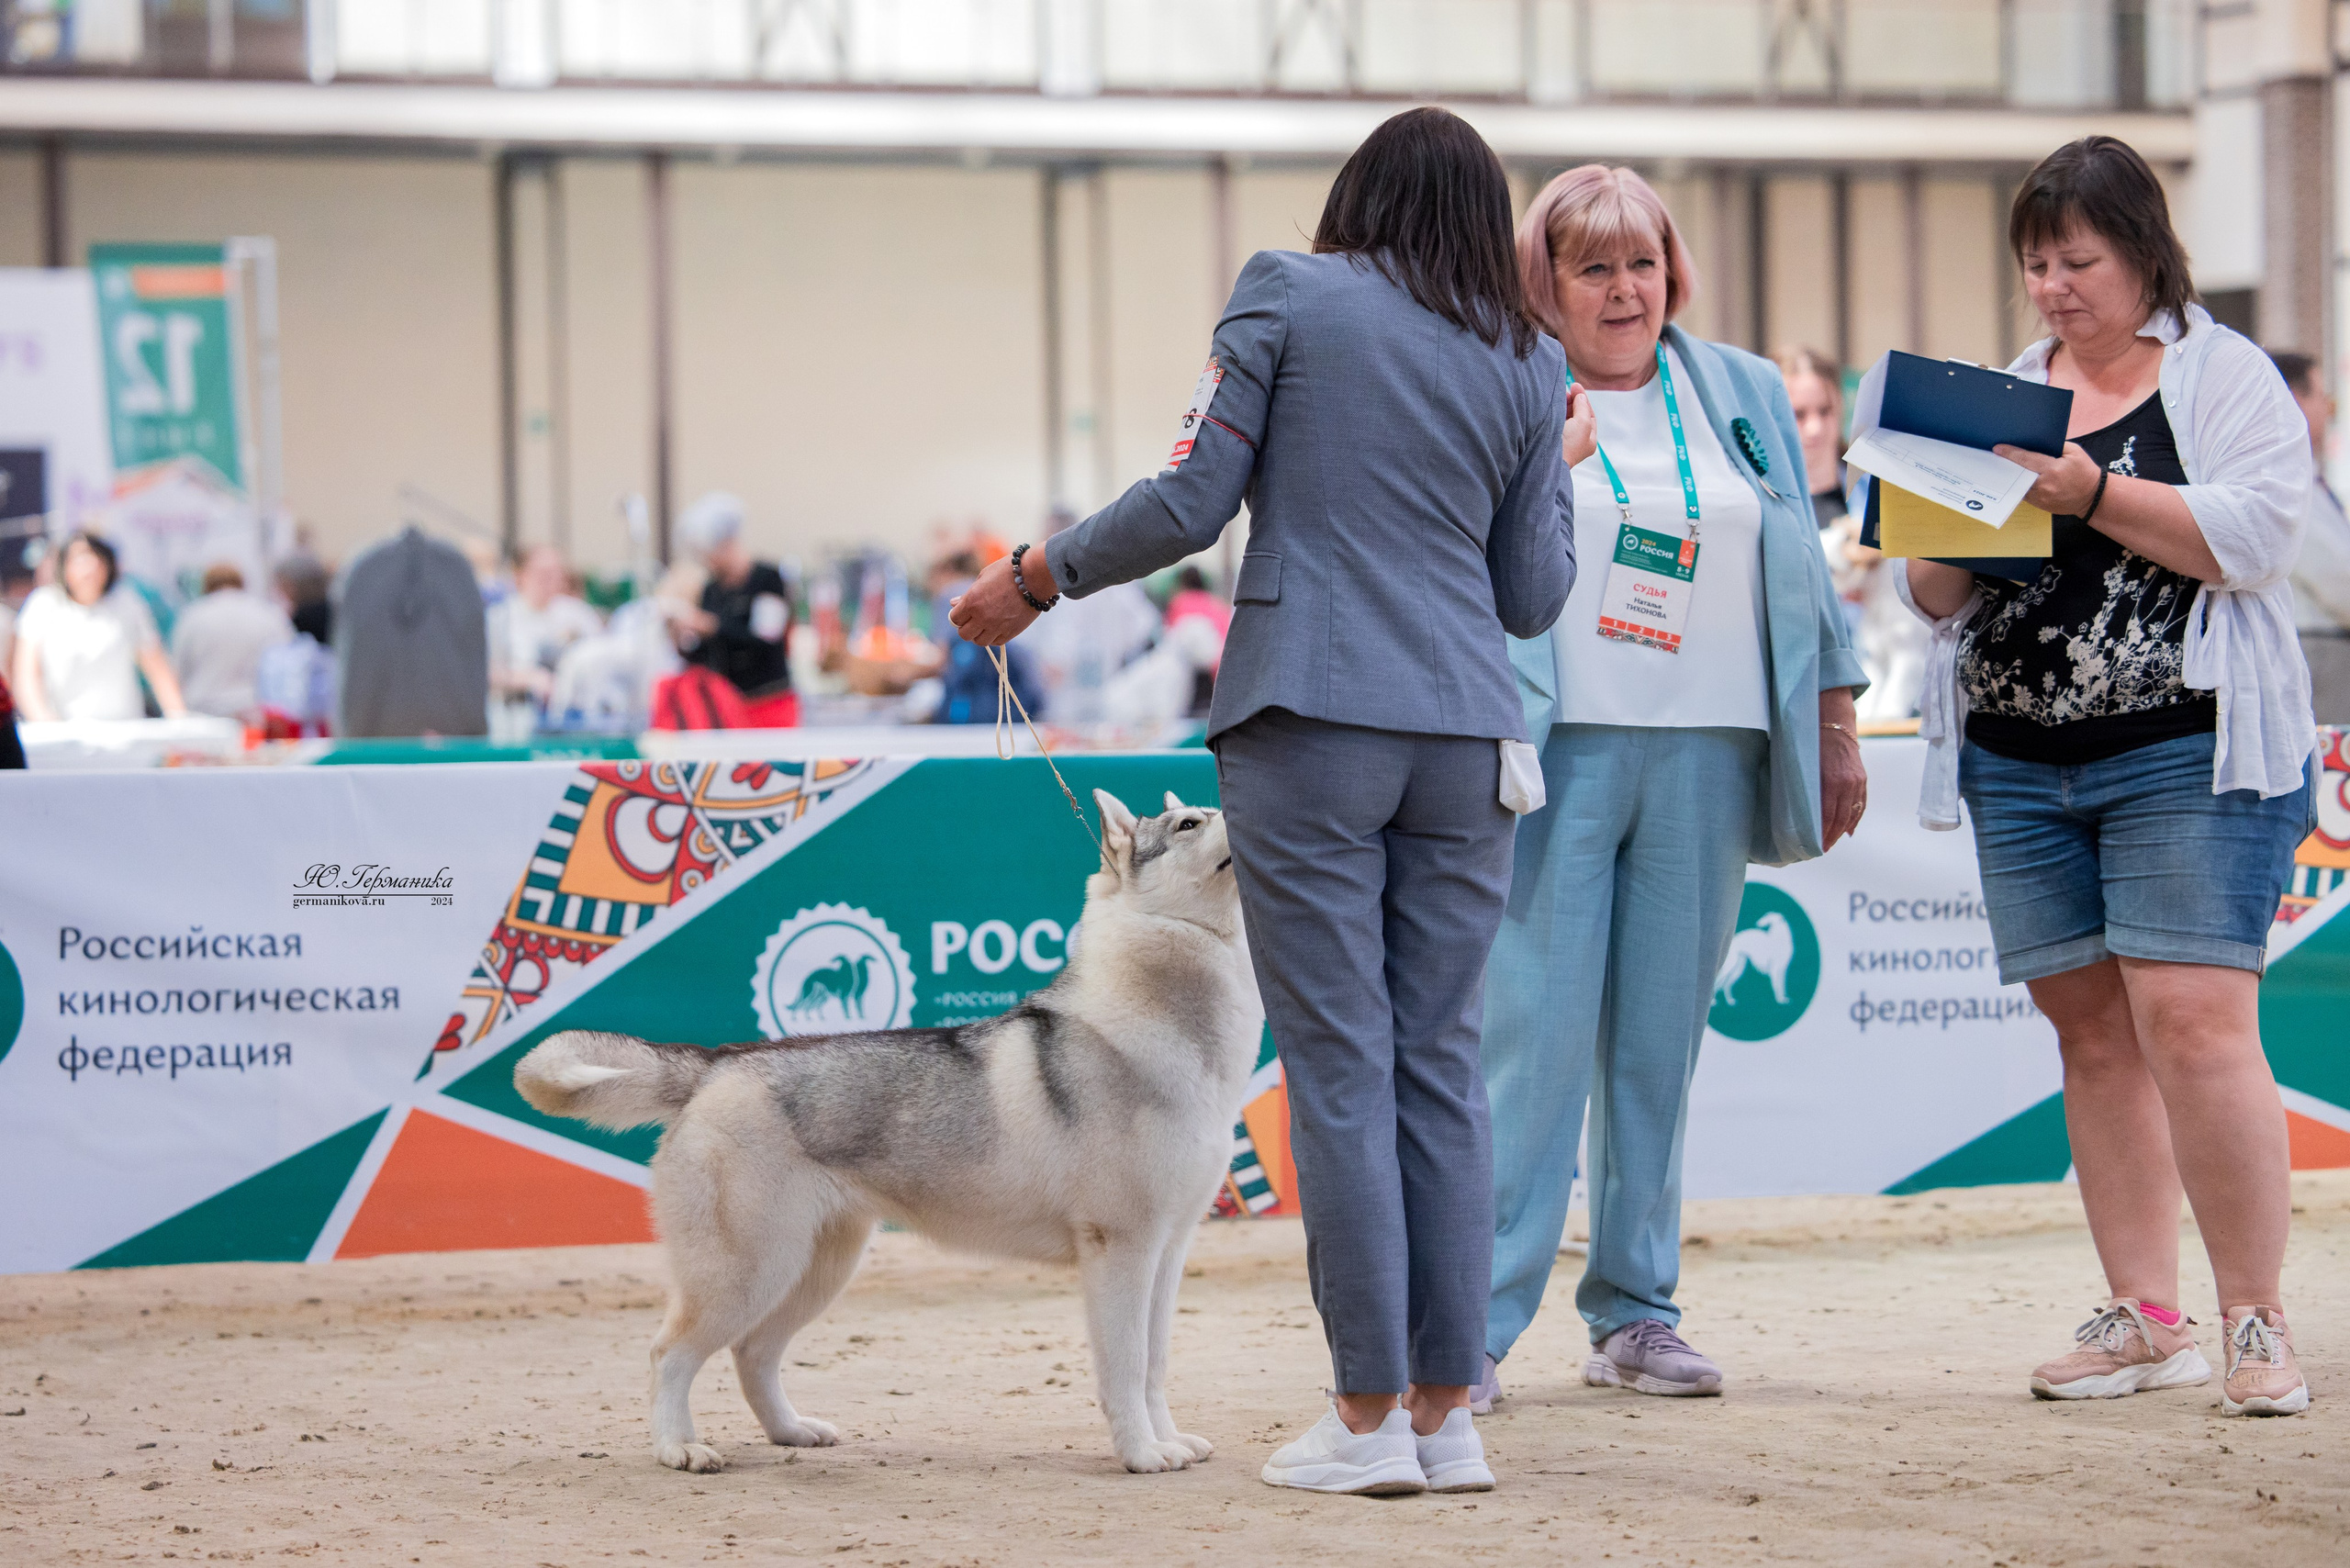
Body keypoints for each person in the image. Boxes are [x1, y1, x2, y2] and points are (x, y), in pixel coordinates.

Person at [952, 106, 1574, 1495]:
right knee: (1442, 1072)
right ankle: (1444, 1413)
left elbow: (1190, 499)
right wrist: (1555, 465)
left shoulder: (1286, 293)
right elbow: (1535, 594)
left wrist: (1037, 577)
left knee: (1343, 1068)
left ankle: (1363, 1426)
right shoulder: (1532, 358)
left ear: (1356, 195)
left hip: (1314, 717)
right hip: (1469, 735)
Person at [1902, 136, 2316, 1416]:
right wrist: (1940, 517)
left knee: (2194, 1023)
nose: (2054, 288)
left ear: (2143, 251)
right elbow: (1927, 594)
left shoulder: (2224, 375)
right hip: (2021, 760)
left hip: (2187, 750)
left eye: (2078, 260)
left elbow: (2255, 539)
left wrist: (2088, 491)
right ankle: (2147, 1316)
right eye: (2036, 264)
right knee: (2091, 1037)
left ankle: (2255, 1318)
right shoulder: (1995, 391)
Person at [1473, 167, 1868, 1414]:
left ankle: (1637, 1311)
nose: (1623, 288)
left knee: (1658, 1052)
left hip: (1711, 749)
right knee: (1527, 1055)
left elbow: (1798, 555)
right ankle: (1471, 1329)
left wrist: (1837, 716)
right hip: (1558, 750)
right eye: (1592, 266)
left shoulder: (1741, 388)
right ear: (1545, 282)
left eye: (1641, 262)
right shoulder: (1506, 382)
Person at [11, 532, 186, 722]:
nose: (89, 567)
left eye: (96, 559)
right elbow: (26, 677)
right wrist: (45, 723)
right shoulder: (43, 604)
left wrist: (178, 719)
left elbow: (157, 668)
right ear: (64, 566)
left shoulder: (126, 603)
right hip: (65, 735)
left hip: (125, 729)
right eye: (79, 559)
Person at [2269, 350, 2350, 724]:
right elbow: (2339, 580)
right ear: (2296, 401)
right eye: (2322, 397)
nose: (2330, 409)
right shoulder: (2284, 481)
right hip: (2316, 650)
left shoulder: (2306, 479)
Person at [676, 491, 798, 727]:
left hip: (770, 703)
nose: (707, 563)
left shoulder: (767, 580)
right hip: (726, 707)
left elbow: (767, 637)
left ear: (727, 544)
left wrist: (713, 627)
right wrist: (684, 638)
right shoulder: (711, 590)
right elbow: (704, 654)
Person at [489, 543, 605, 728]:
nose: (550, 580)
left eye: (556, 573)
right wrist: (528, 679)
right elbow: (486, 672)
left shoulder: (579, 614)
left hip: (577, 719)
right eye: (542, 573)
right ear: (520, 575)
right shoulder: (500, 618)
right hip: (517, 718)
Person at [171, 562, 294, 719]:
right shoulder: (269, 614)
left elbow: (178, 670)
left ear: (206, 586)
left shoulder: (192, 616)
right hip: (257, 712)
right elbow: (289, 664)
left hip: (205, 713)